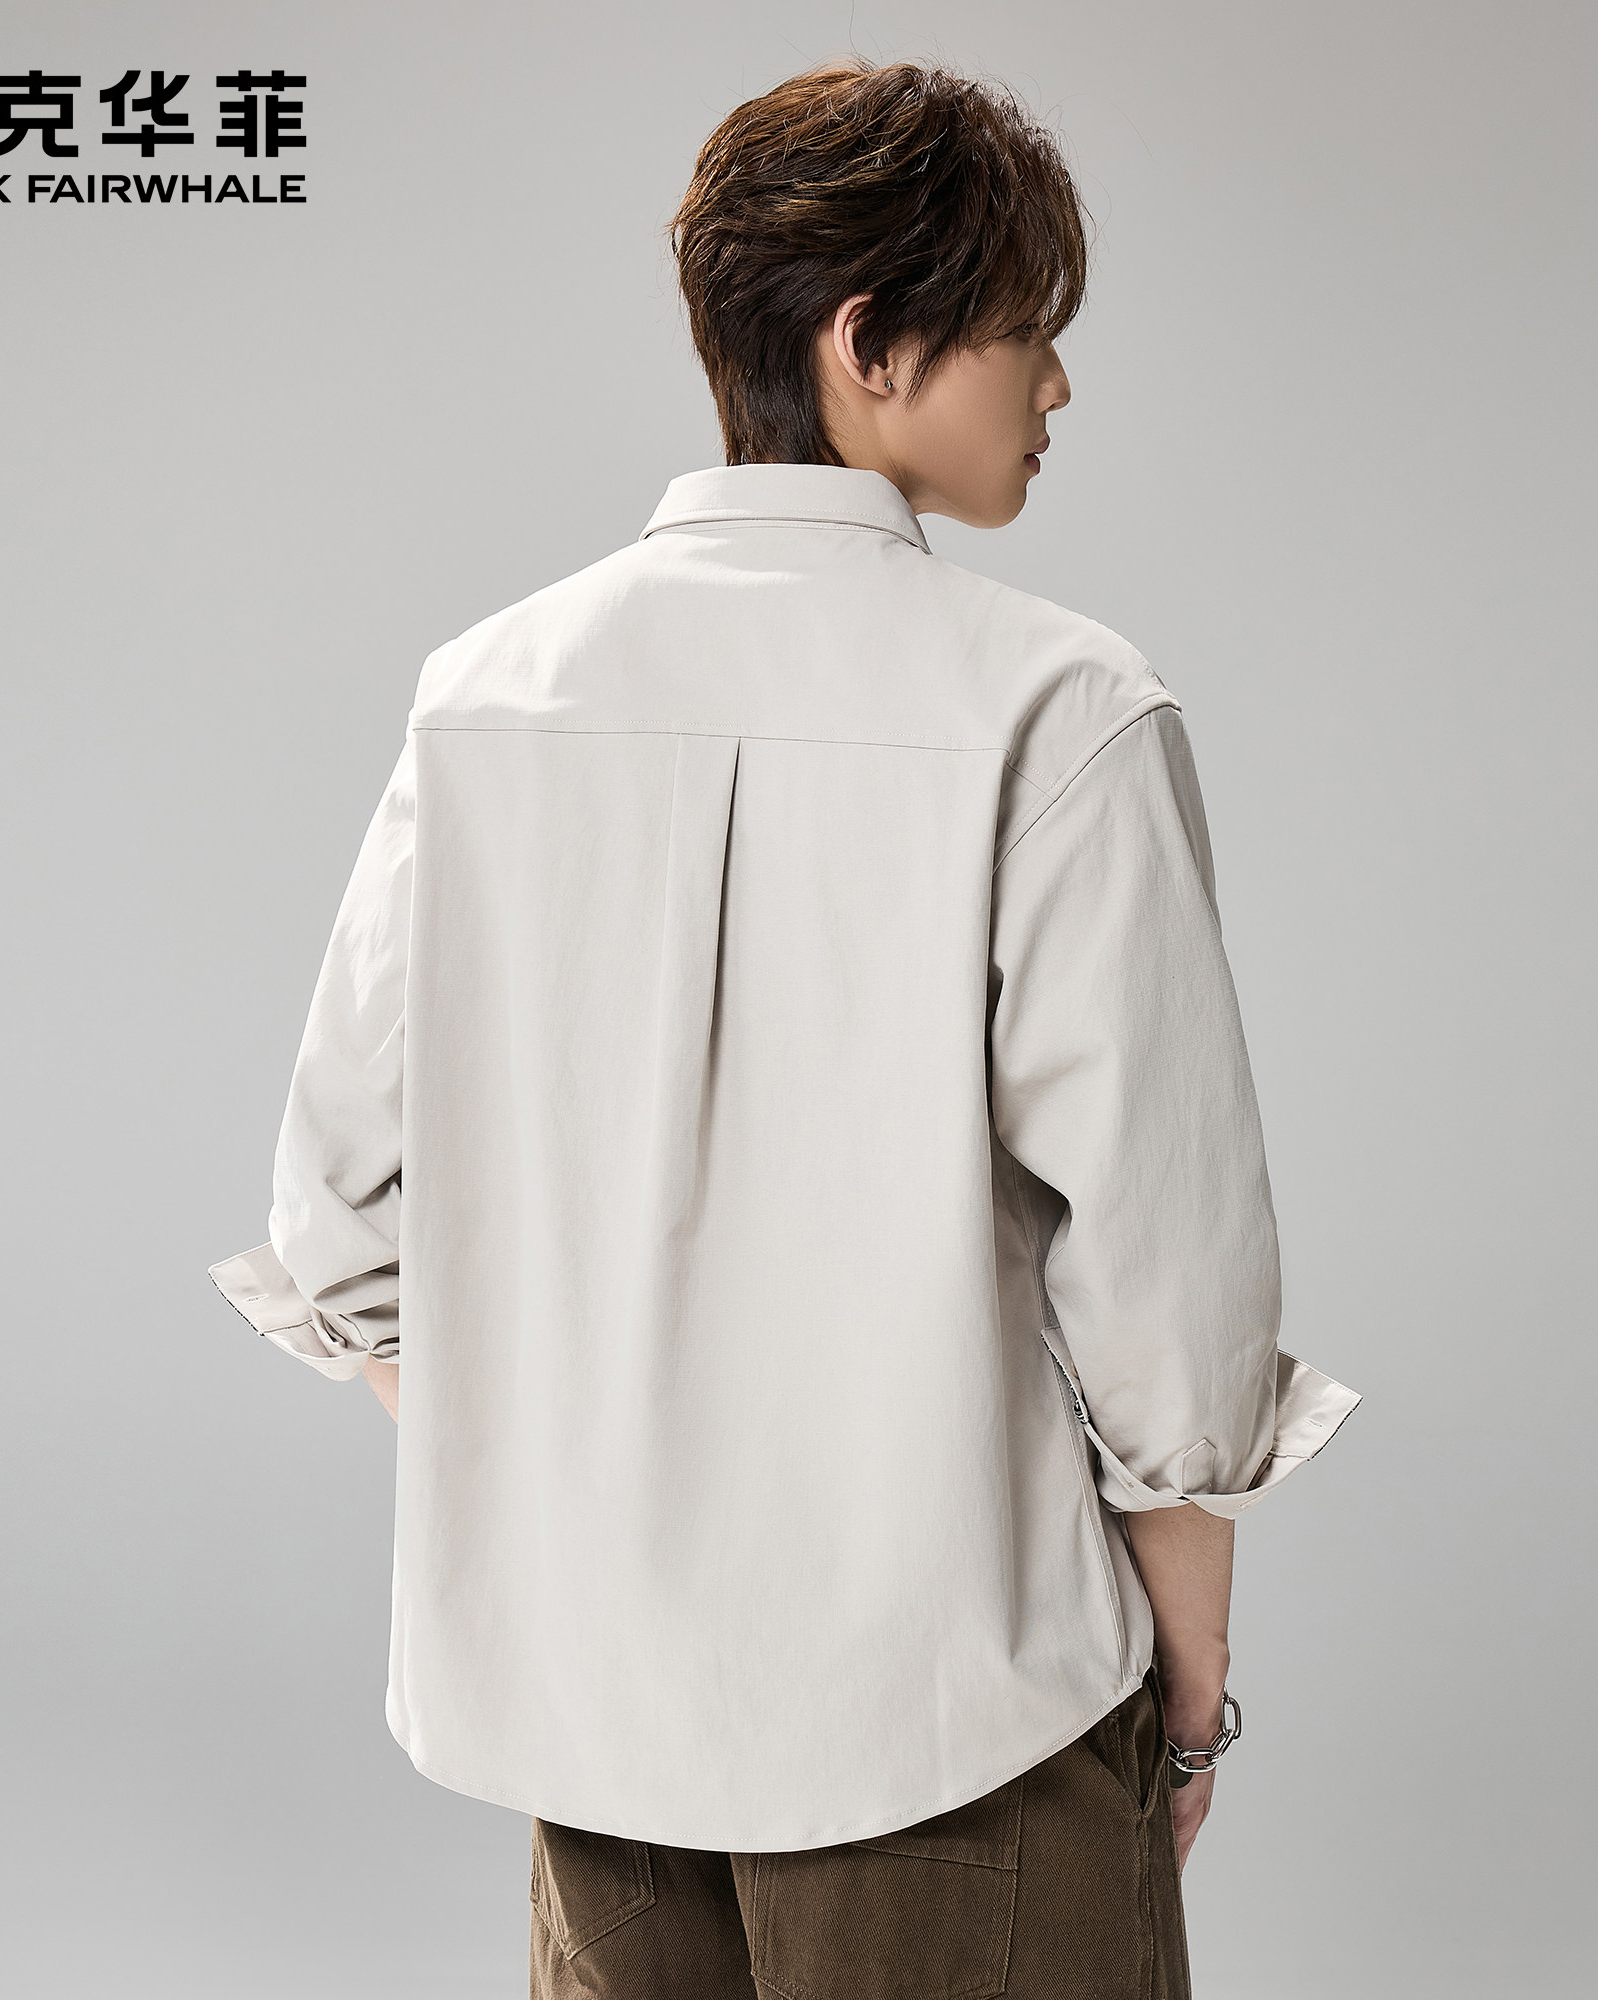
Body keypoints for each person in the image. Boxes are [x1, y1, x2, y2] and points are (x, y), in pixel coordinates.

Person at [209, 57, 1358, 1999]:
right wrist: (1194, 1682)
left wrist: (584, 1491)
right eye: (1026, 330)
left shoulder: (489, 691)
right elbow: (1166, 1293)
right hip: (960, 1731)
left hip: (595, 1742)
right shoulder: (1059, 708)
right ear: (870, 342)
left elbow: (343, 1224)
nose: (1059, 386)